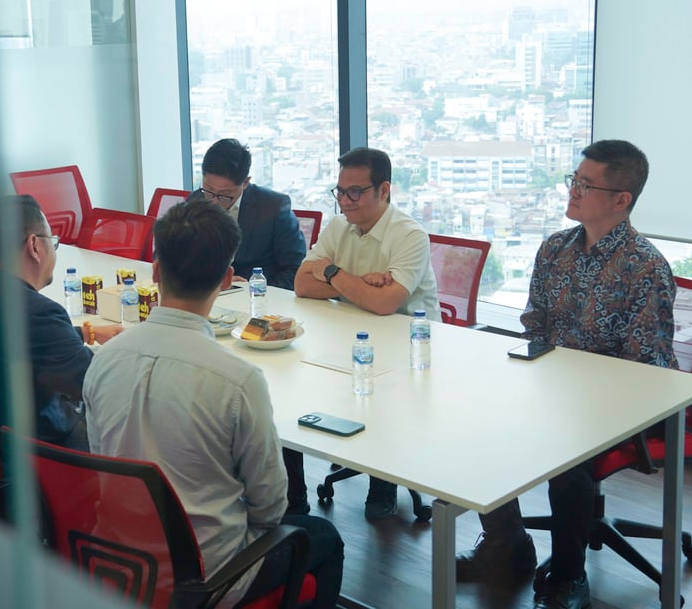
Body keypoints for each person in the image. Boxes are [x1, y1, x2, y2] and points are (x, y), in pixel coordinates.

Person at [84, 199, 344, 609]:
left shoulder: (103, 360)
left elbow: (102, 461)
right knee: (324, 536)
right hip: (207, 578)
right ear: (226, 279)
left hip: (117, 562)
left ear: (155, 270)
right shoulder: (237, 380)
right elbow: (271, 507)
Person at [456, 139, 676, 609]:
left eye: (586, 184)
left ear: (622, 199)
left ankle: (570, 575)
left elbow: (647, 368)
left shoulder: (646, 267)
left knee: (568, 456)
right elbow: (535, 325)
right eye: (573, 180)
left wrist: (572, 393)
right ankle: (507, 544)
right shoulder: (555, 249)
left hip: (620, 403)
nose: (573, 191)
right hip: (552, 387)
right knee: (473, 419)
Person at [293, 147, 441, 520]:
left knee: (381, 396)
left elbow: (386, 304)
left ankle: (384, 474)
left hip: (411, 351)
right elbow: (300, 285)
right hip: (351, 336)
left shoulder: (409, 235)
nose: (345, 201)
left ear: (384, 190)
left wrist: (331, 273)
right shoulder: (339, 226)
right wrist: (360, 285)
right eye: (340, 191)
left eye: (355, 192)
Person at [0, 195, 122, 452]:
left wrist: (82, 333)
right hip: (39, 459)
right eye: (52, 241)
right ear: (34, 246)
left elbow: (14, 343)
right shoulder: (38, 314)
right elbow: (100, 387)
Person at [189, 138, 306, 290]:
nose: (215, 202)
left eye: (225, 194)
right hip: (207, 295)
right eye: (209, 190)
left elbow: (295, 269)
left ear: (245, 183)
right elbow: (170, 253)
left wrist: (253, 289)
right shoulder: (195, 200)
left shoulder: (273, 207)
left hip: (258, 299)